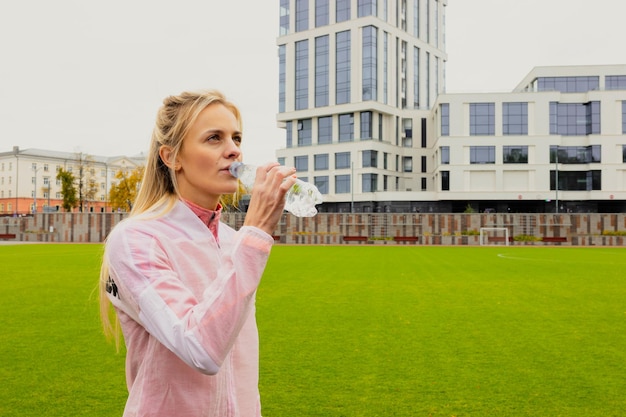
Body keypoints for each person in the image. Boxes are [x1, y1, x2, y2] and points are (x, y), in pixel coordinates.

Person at [99, 89, 297, 417]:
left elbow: (243, 366)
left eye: (236, 138)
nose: (234, 150)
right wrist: (257, 231)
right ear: (171, 157)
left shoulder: (236, 241)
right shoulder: (136, 241)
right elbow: (201, 349)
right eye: (214, 138)